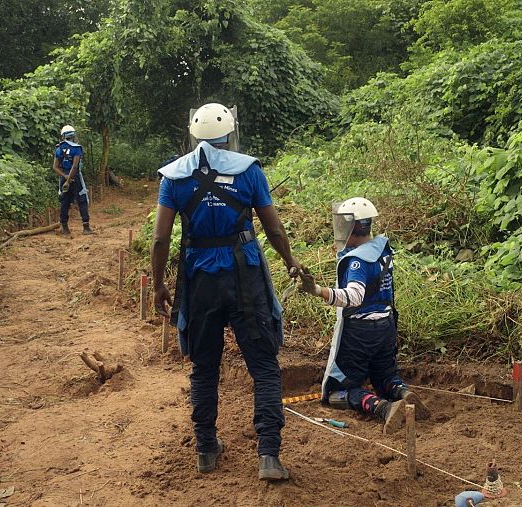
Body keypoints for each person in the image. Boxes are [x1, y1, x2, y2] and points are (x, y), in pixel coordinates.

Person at [150, 103, 302, 481]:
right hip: (244, 275)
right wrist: (290, 262)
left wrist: (158, 284)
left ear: (192, 133)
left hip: (199, 278)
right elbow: (274, 229)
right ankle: (268, 455)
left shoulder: (174, 177)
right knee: (264, 366)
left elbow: (160, 238)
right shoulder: (249, 171)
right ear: (230, 133)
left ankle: (205, 449)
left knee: (204, 367)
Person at [296, 197, 430, 434]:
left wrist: (317, 290)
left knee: (337, 391)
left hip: (361, 332)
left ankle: (382, 408)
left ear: (353, 226)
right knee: (384, 375)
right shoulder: (381, 250)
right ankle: (403, 392)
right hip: (386, 325)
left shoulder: (357, 260)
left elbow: (353, 297)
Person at [51, 125, 92, 235]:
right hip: (75, 178)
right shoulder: (77, 148)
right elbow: (74, 167)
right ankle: (86, 227)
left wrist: (65, 177)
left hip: (63, 177)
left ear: (63, 136)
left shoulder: (59, 149)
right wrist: (69, 180)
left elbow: (55, 167)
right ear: (73, 136)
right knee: (82, 201)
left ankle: (65, 228)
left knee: (64, 202)